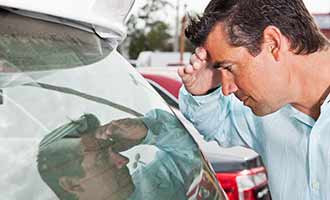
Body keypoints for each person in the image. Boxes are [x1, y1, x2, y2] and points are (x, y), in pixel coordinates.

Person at [177, 0, 330, 199]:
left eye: (230, 68)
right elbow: (217, 122)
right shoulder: (268, 110)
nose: (226, 89)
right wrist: (204, 90)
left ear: (272, 43)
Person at [37, 110, 222, 200]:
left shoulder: (152, 187)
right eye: (102, 158)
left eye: (113, 150)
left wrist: (147, 130)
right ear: (72, 184)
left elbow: (192, 157)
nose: (123, 160)